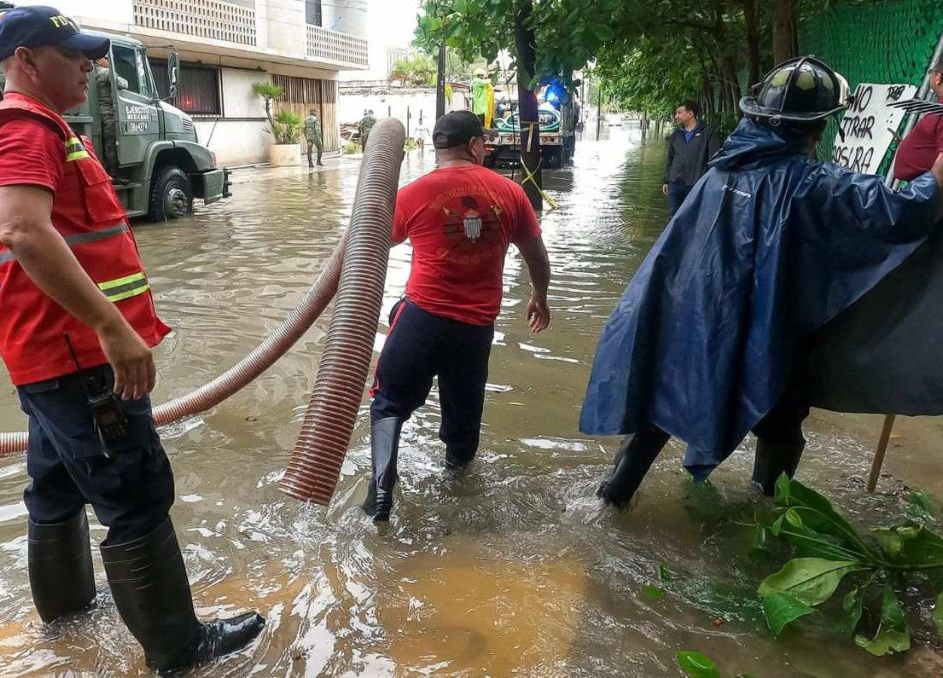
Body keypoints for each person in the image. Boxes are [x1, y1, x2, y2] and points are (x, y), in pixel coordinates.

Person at [0, 7, 263, 672]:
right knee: (135, 490)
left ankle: (68, 621)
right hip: (78, 355)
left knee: (57, 486)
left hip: (46, 353)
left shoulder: (36, 129)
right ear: (28, 61)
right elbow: (22, 230)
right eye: (75, 55)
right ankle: (181, 651)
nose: (90, 66)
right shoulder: (21, 126)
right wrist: (112, 328)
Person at [579, 57, 943, 508]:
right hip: (765, 332)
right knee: (780, 421)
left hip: (688, 318)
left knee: (660, 405)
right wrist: (937, 179)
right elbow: (901, 212)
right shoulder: (814, 184)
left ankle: (611, 501)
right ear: (818, 126)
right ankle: (765, 515)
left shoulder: (720, 171)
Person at [363, 110, 552, 521]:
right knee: (464, 421)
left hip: (421, 321)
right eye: (485, 142)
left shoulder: (413, 194)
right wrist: (539, 296)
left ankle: (380, 490)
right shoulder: (511, 193)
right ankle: (459, 497)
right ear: (474, 146)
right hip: (475, 330)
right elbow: (537, 257)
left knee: (389, 404)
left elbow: (370, 243)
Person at [662, 100, 722, 215]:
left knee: (693, 216)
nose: (676, 116)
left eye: (679, 112)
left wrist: (707, 182)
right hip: (675, 183)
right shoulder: (676, 135)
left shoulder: (707, 133)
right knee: (674, 216)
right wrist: (666, 180)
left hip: (696, 183)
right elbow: (670, 159)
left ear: (690, 114)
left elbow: (714, 160)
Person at [894, 57, 943, 182]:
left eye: (930, 72)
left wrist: (929, 193)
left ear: (938, 78)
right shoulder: (938, 107)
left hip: (928, 192)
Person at [93, 56, 126, 180]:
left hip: (98, 113)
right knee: (111, 144)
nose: (108, 60)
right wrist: (113, 72)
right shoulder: (106, 72)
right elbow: (123, 84)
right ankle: (113, 173)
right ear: (97, 60)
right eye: (105, 58)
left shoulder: (91, 72)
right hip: (108, 113)